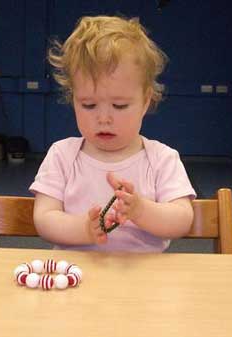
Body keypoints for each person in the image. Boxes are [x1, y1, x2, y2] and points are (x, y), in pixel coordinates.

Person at [29, 15, 196, 252]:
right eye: (88, 105)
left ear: (146, 101)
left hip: (144, 279)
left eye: (119, 106)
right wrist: (83, 229)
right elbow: (44, 219)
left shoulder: (162, 159)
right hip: (77, 278)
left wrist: (141, 210)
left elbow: (182, 219)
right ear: (73, 100)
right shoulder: (62, 155)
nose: (104, 118)